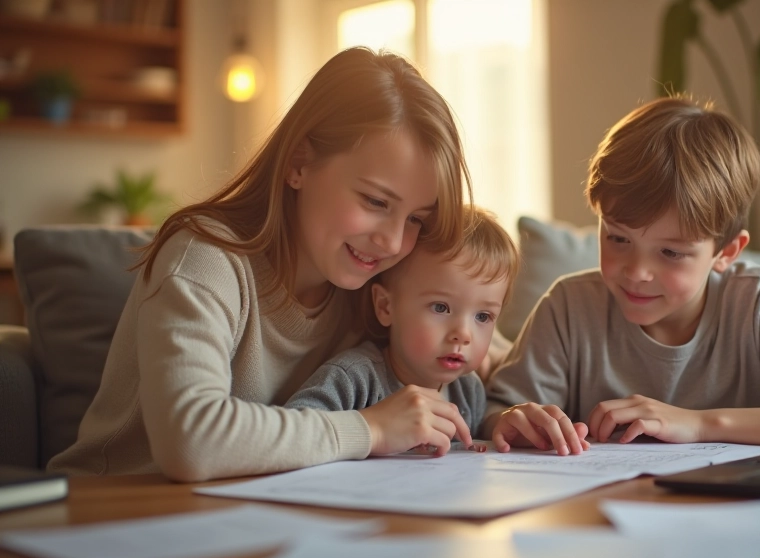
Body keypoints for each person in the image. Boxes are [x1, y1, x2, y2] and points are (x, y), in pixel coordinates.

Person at [48, 47, 474, 481]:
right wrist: (370, 428)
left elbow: (475, 342)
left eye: (417, 219)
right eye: (375, 201)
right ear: (298, 163)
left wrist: (504, 415)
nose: (393, 241)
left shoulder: (375, 284)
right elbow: (191, 440)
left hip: (252, 514)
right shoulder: (206, 256)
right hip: (113, 508)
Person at [484, 95, 760, 456]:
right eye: (617, 239)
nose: (636, 272)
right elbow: (498, 412)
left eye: (671, 252)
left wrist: (699, 424)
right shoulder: (568, 309)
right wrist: (511, 419)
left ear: (726, 252)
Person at [285, 206, 519, 448]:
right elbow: (293, 435)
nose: (463, 334)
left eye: (482, 316)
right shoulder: (356, 379)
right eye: (440, 307)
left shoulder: (468, 390)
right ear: (386, 306)